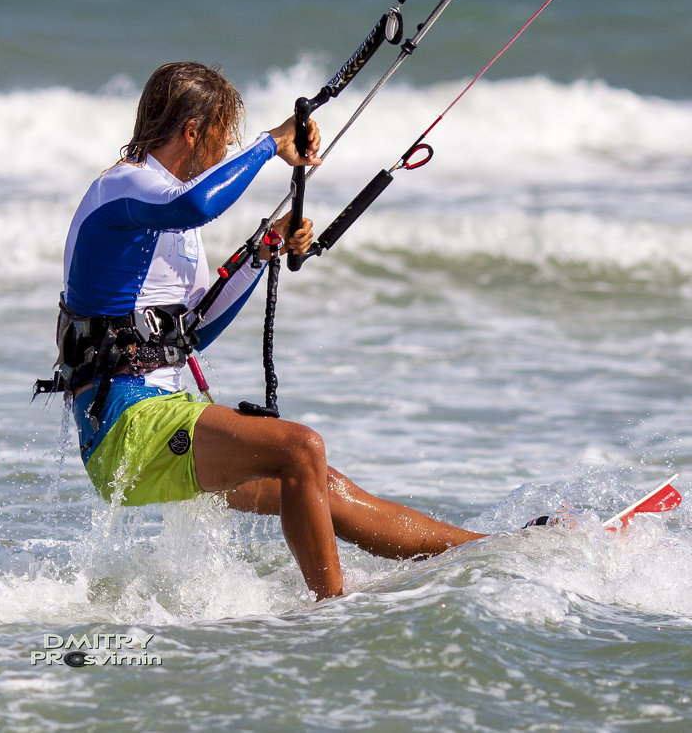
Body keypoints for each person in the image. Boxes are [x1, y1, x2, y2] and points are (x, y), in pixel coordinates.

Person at [47, 62, 484, 600]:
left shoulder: (166, 222)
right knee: (300, 447)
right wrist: (269, 144)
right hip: (124, 427)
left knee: (318, 484)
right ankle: (330, 619)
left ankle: (489, 549)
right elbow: (195, 205)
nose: (225, 151)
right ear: (193, 132)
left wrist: (263, 251)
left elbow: (194, 333)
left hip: (161, 414)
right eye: (223, 140)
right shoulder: (124, 188)